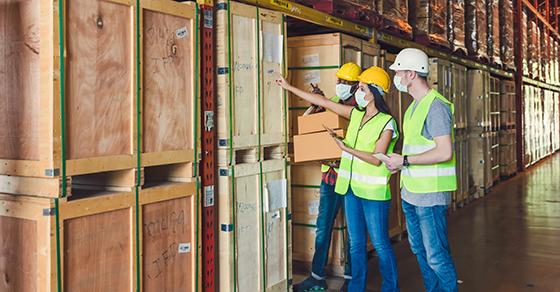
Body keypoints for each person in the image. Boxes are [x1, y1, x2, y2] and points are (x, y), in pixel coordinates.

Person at [277, 66, 400, 292]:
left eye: (361, 88)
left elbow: (376, 159)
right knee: (356, 245)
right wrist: (289, 87)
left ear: (372, 93)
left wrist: (346, 149)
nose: (357, 93)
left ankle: (391, 288)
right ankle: (356, 288)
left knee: (382, 245)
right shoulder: (356, 114)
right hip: (350, 189)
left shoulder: (387, 122)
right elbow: (324, 103)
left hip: (373, 195)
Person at [384, 48, 459, 292]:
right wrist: (398, 162)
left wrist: (404, 160)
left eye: (399, 72)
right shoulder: (413, 107)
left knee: (436, 254)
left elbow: (444, 152)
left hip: (429, 196)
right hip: (411, 192)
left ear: (412, 74)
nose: (396, 77)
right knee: (419, 250)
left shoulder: (435, 107)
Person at [292, 62, 361, 292]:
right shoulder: (333, 102)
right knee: (323, 226)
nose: (340, 85)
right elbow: (313, 126)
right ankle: (316, 276)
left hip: (351, 178)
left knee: (353, 229)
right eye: (338, 81)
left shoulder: (360, 110)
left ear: (356, 85)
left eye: (345, 82)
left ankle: (351, 279)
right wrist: (316, 102)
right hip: (329, 178)